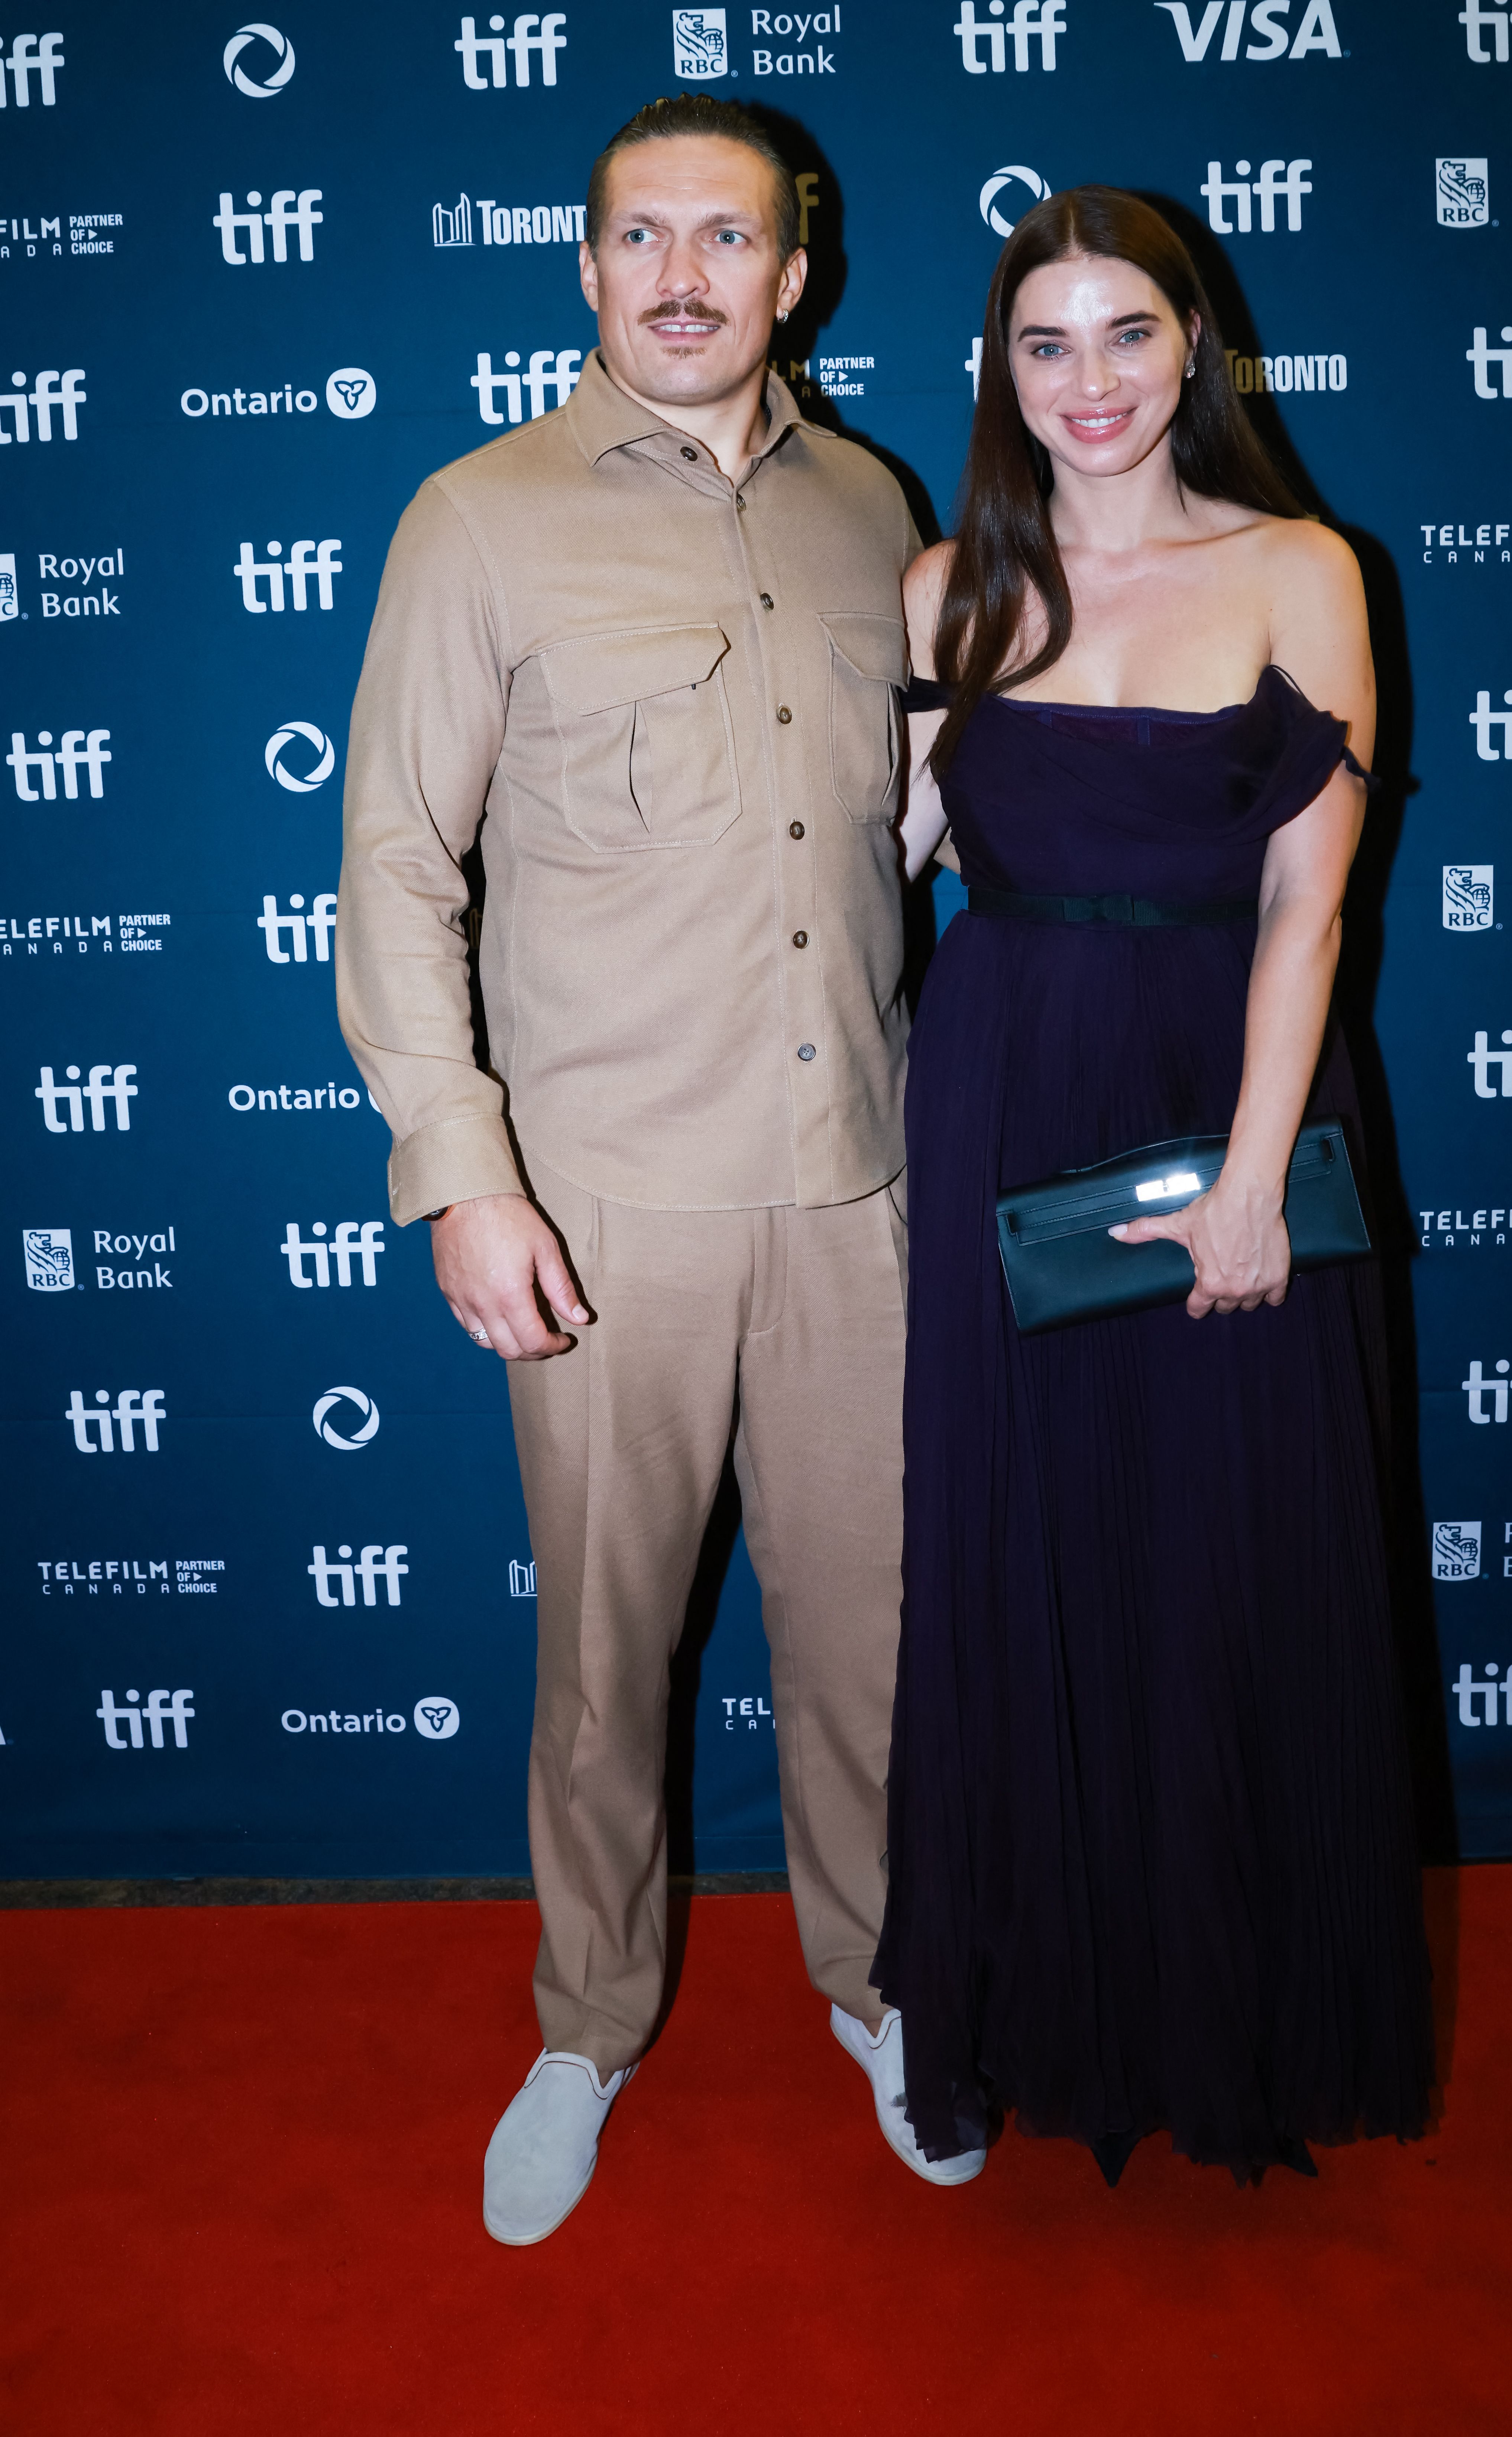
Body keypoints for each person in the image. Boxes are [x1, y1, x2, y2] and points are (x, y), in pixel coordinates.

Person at [336, 93, 974, 2246]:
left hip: (858, 1185)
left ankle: (881, 1987)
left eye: (727, 237)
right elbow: (396, 866)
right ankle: (588, 2024)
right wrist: (465, 1173)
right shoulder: (480, 518)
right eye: (641, 236)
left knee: (876, 1650)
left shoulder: (871, 507)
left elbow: (884, 837)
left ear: (796, 270)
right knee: (608, 1667)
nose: (682, 275)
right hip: (605, 1200)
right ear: (587, 263)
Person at [875, 188, 1435, 2178]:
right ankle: (1033, 2002)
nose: (1089, 380)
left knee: (1226, 1554)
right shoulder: (943, 586)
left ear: (1194, 346)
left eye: (1127, 334)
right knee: (1020, 1554)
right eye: (1046, 343)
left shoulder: (1299, 568)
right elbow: (902, 851)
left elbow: (1309, 906)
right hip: (1004, 1095)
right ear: (1001, 371)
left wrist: (1256, 1182)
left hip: (1226, 1090)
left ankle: (1235, 2017)